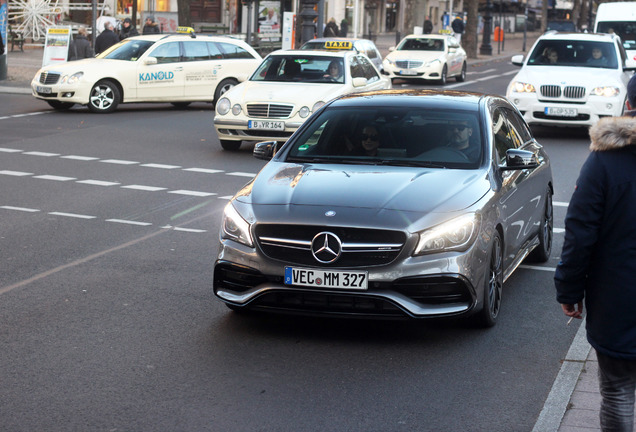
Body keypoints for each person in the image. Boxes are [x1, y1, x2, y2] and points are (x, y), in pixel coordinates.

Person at [555, 75, 636, 431]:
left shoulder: (605, 162)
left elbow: (580, 232)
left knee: (618, 391)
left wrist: (569, 291)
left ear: (629, 106)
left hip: (619, 297)